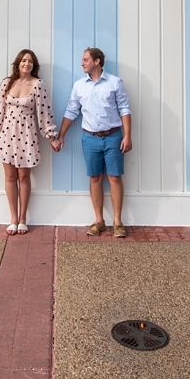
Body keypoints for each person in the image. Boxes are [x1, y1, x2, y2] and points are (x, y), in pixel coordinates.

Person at [52, 47, 132, 238]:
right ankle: (99, 221)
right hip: (90, 138)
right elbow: (71, 111)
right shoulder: (79, 85)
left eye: (86, 59)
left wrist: (127, 136)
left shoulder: (114, 82)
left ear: (97, 61)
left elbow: (124, 109)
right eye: (82, 59)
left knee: (115, 177)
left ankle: (118, 222)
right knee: (95, 178)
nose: (82, 63)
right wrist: (61, 135)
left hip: (113, 136)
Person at [0, 49, 59, 235]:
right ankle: (13, 218)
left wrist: (51, 136)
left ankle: (23, 219)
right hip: (6, 134)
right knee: (10, 177)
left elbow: (45, 112)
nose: (26, 64)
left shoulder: (38, 85)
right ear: (18, 64)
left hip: (26, 134)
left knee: (24, 177)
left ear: (33, 65)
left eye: (30, 61)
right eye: (23, 61)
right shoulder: (7, 83)